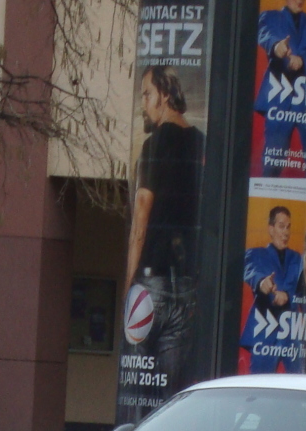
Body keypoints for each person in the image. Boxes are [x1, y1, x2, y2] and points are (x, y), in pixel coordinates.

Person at [125, 66, 206, 397]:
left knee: (137, 389)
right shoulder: (203, 145)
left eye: (147, 94)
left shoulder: (155, 144)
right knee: (169, 395)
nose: (143, 102)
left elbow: (141, 216)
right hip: (187, 284)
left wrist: (130, 281)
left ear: (166, 95)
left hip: (151, 281)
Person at [255, 0, 306, 177]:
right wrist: (277, 47)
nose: (300, 0)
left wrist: (303, 61)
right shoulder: (269, 17)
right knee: (272, 164)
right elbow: (265, 35)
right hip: (279, 99)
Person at [240, 206, 304, 373]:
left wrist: (287, 295)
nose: (286, 232)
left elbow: (297, 285)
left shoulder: (297, 258)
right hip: (264, 334)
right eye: (281, 226)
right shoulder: (256, 254)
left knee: (297, 386)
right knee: (258, 387)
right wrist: (262, 283)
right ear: (271, 229)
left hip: (291, 335)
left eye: (288, 227)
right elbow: (250, 271)